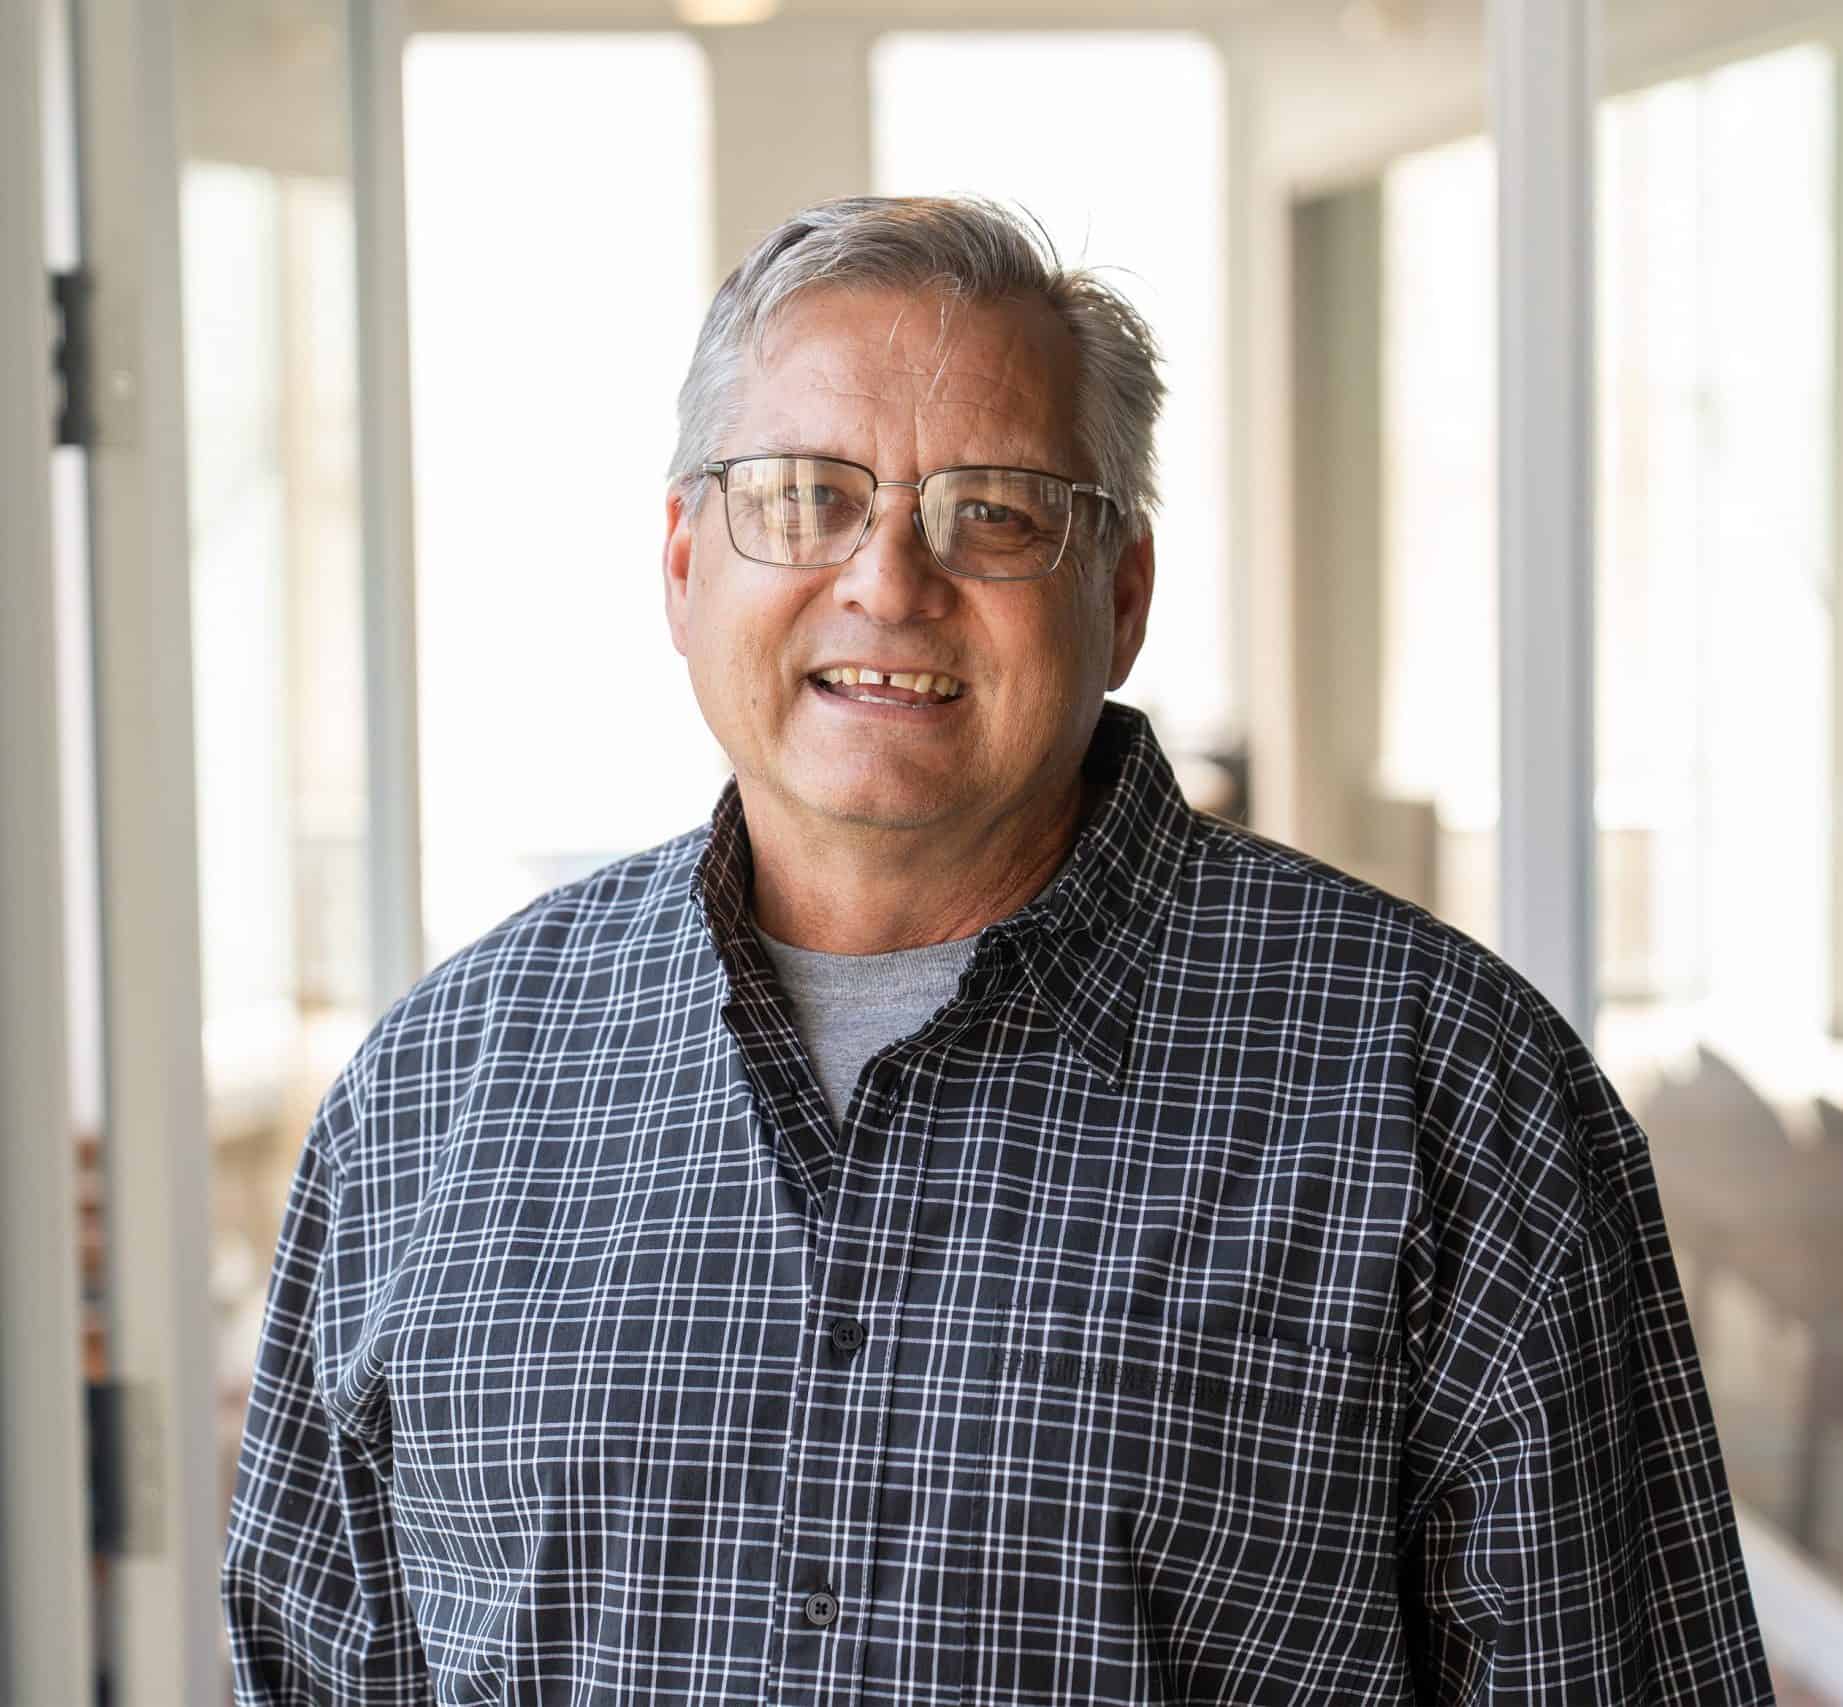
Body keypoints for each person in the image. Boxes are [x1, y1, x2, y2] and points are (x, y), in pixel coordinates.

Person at [222, 194, 1773, 1704]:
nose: (889, 584)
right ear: (686, 568)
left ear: (1125, 591)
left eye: (995, 514)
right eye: (803, 496)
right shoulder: (435, 1090)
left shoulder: (1454, 1095)